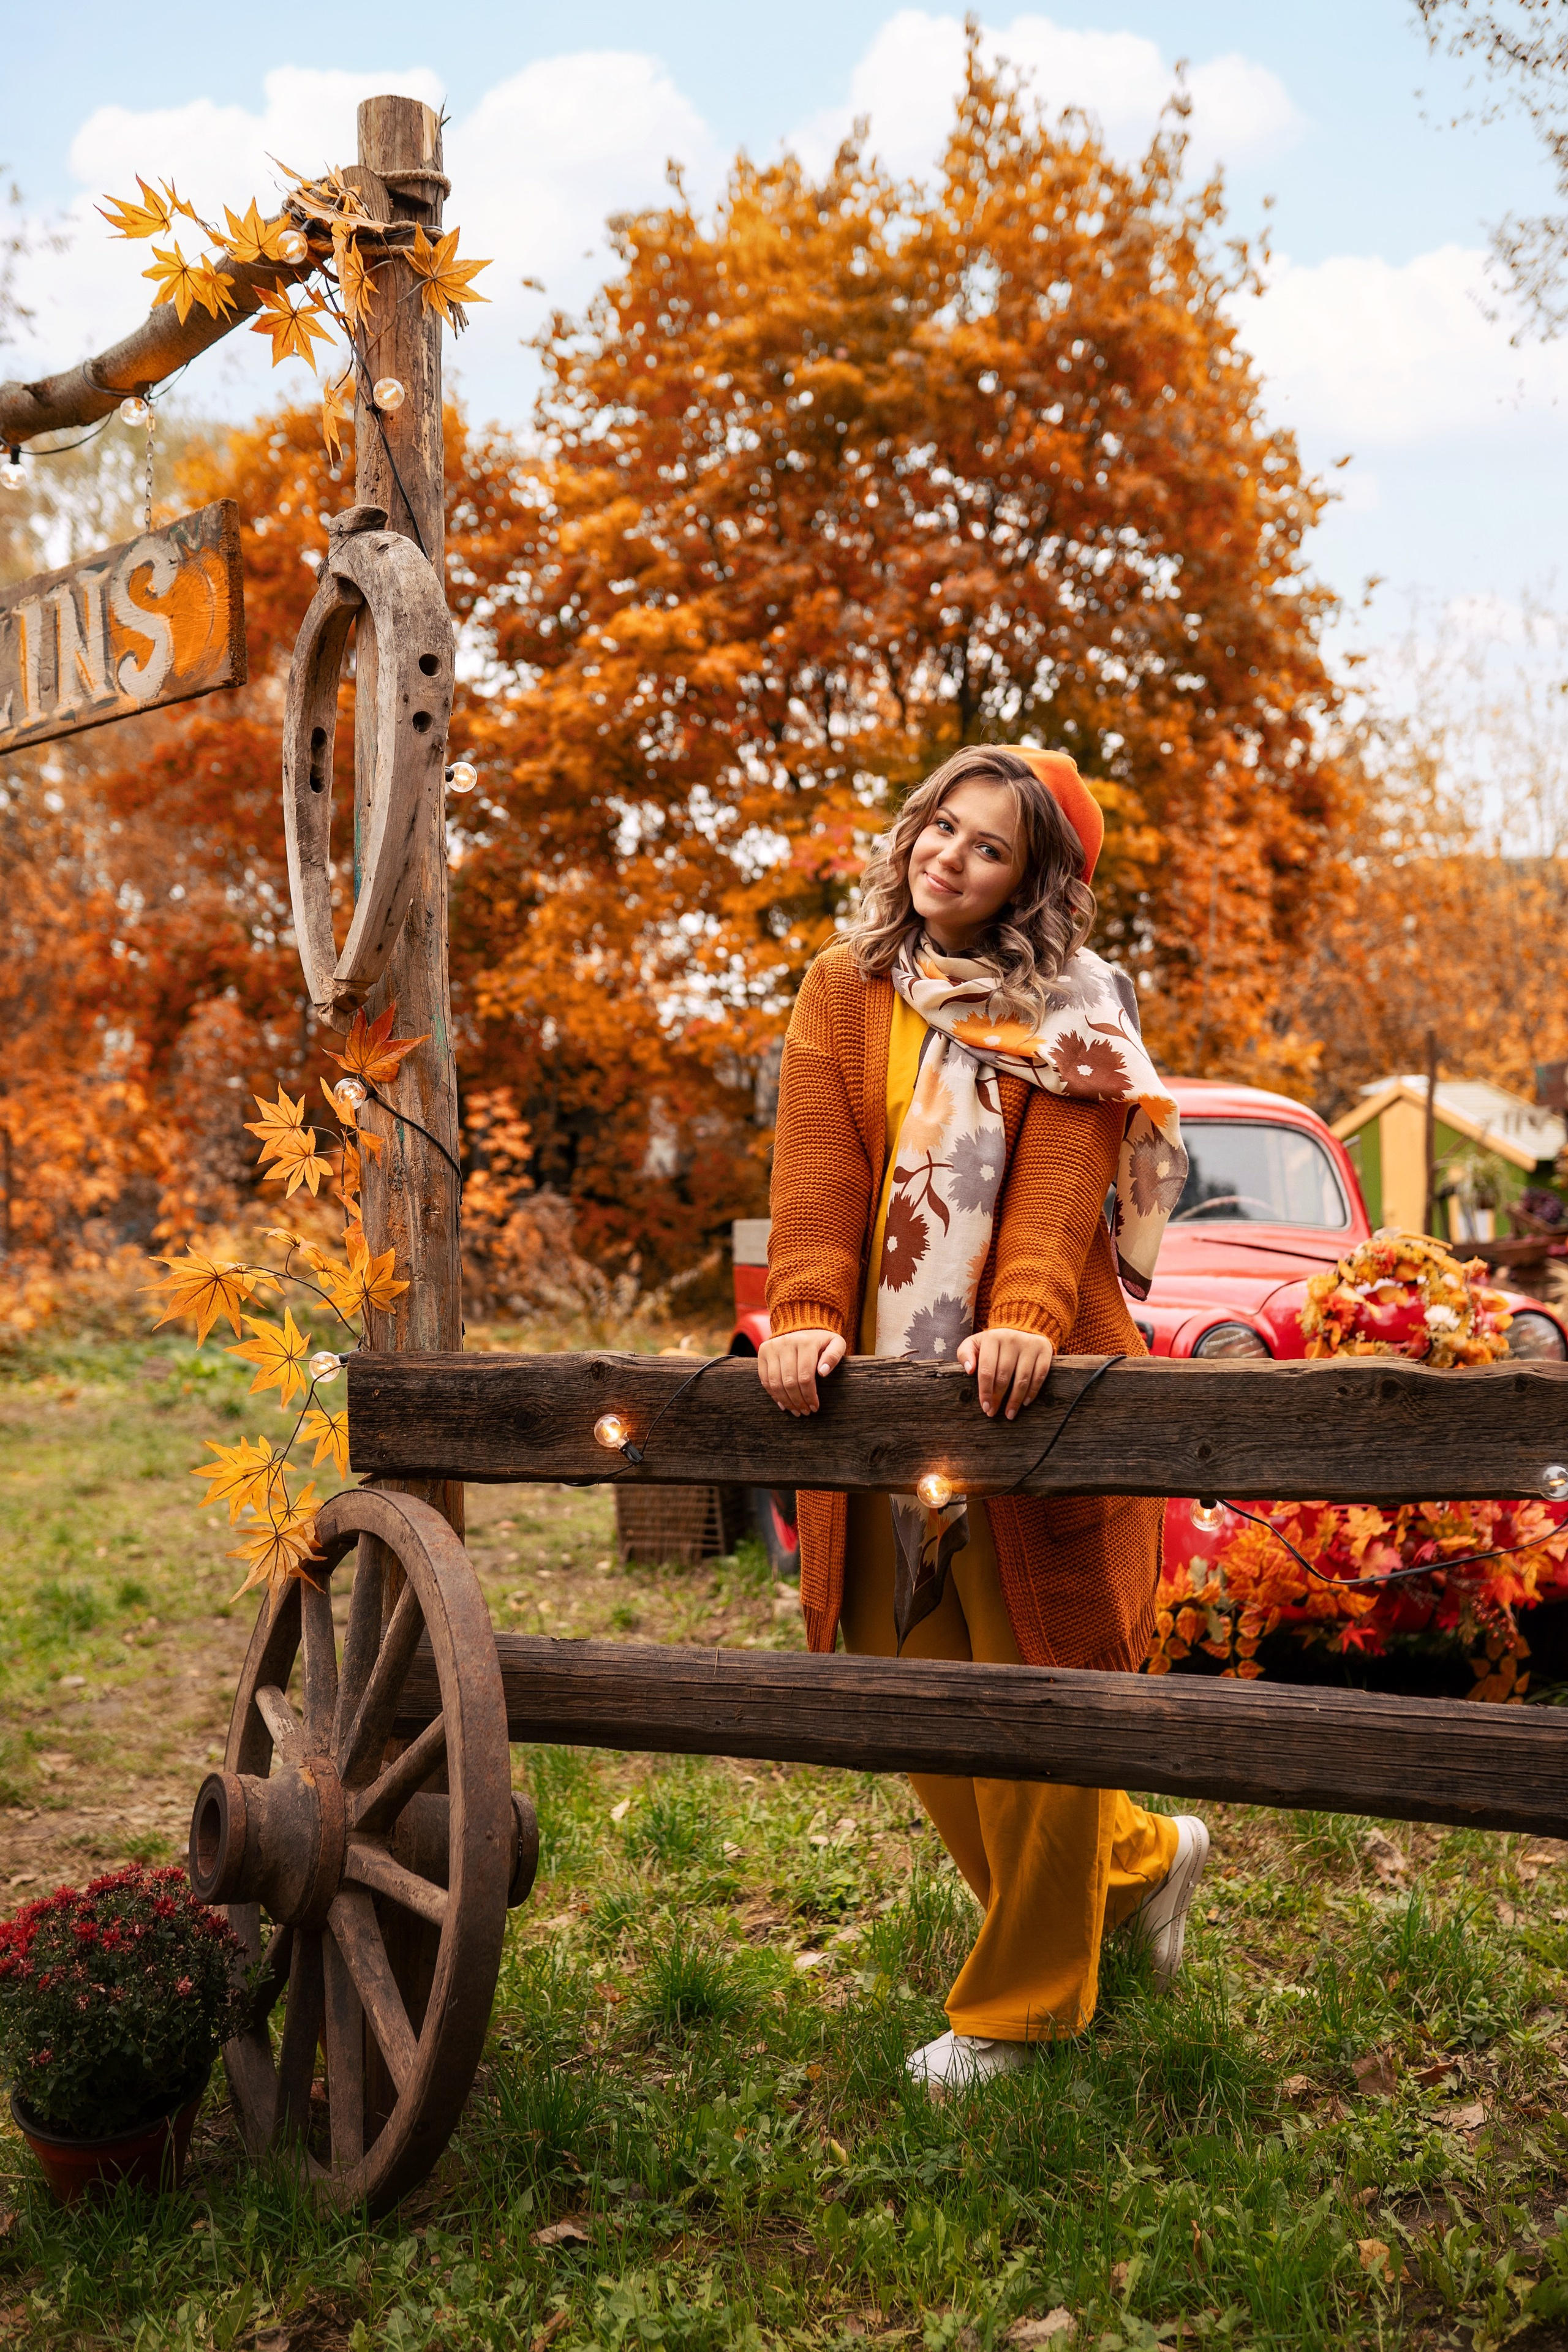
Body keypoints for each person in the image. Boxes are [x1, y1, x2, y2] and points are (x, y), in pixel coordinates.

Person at [760, 744, 1208, 2092]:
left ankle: (1022, 2013)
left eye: (988, 846)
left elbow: (1064, 1184)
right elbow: (818, 1166)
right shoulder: (844, 989)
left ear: (1032, 886)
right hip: (887, 1394)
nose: (947, 856)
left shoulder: (1073, 1012)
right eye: (938, 828)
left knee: (1038, 1691)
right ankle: (1140, 1864)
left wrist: (1021, 1310)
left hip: (1036, 1384)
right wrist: (797, 1310)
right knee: (906, 1687)